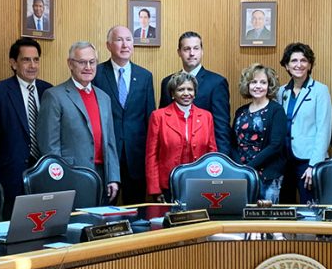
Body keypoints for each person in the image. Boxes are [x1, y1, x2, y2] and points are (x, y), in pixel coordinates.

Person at [36, 41, 120, 202]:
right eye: (82, 62)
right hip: (71, 175)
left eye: (92, 62)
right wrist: (60, 178)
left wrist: (113, 177)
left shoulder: (104, 97)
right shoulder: (54, 95)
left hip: (102, 175)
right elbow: (49, 145)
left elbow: (110, 142)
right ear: (70, 64)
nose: (88, 67)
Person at [92, 26, 155, 204]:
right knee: (104, 209)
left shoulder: (145, 76)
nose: (125, 44)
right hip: (106, 154)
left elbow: (150, 119)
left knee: (136, 212)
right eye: (119, 40)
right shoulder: (96, 74)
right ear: (108, 45)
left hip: (136, 155)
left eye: (128, 40)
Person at [0, 38, 52, 220]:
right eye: (26, 60)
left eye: (36, 59)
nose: (32, 65)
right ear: (13, 63)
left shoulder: (48, 91)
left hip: (44, 176)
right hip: (11, 177)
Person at [146, 72, 217, 201]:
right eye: (180, 89)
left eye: (190, 89)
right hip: (168, 185)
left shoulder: (206, 117)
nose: (186, 93)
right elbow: (151, 156)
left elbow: (212, 153)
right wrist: (155, 190)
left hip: (200, 183)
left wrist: (212, 182)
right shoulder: (158, 116)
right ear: (172, 94)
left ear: (195, 93)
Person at [276, 43, 331, 204]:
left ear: (310, 65)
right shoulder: (281, 91)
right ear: (286, 65)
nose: (298, 65)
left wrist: (314, 165)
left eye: (303, 60)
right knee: (285, 209)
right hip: (285, 161)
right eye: (293, 61)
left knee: (310, 208)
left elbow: (324, 130)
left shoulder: (320, 90)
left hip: (307, 161)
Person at [159, 31, 231, 154]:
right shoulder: (168, 82)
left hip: (204, 155)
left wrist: (220, 159)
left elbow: (221, 126)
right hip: (172, 155)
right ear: (179, 52)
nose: (192, 53)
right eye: (187, 49)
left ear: (202, 51)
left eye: (196, 48)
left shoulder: (217, 82)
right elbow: (163, 123)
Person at [232, 64, 286, 202]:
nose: (258, 86)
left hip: (267, 176)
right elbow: (233, 143)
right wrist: (240, 168)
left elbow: (276, 145)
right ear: (247, 85)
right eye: (253, 82)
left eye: (263, 82)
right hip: (242, 175)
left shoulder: (276, 110)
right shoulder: (241, 111)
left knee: (267, 220)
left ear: (269, 85)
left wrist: (249, 167)